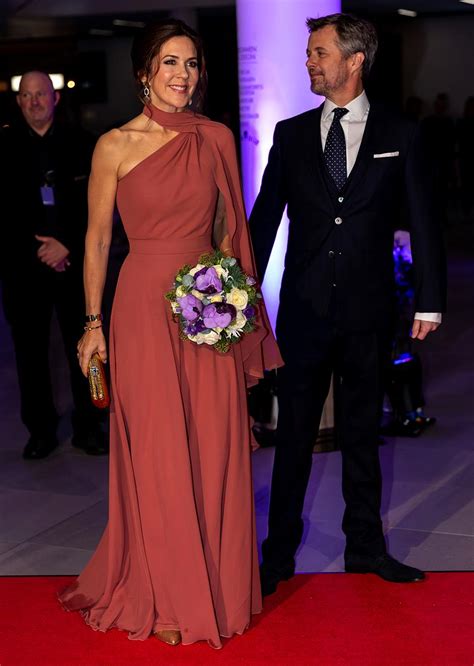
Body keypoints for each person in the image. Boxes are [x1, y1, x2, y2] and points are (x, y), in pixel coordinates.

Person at [58, 19, 281, 648]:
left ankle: (217, 585)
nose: (183, 75)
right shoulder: (115, 145)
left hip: (205, 311)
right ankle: (168, 592)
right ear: (144, 73)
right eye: (169, 64)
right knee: (157, 452)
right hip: (140, 311)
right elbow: (98, 240)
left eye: (191, 64)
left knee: (211, 447)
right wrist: (93, 323)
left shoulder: (214, 138)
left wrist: (230, 304)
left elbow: (225, 235)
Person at [249, 13, 446, 596]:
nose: (309, 62)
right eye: (310, 53)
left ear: (354, 60)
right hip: (304, 313)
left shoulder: (401, 134)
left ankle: (365, 548)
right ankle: (277, 556)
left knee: (362, 434)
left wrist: (429, 302)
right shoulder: (289, 134)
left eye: (319, 52)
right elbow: (264, 221)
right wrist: (236, 296)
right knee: (293, 440)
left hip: (368, 313)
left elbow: (426, 222)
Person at [0, 71, 107, 459]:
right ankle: (40, 430)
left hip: (77, 268)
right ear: (18, 101)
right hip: (23, 272)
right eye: (26, 96)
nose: (33, 102)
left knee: (86, 351)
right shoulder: (4, 145)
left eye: (40, 94)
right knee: (29, 355)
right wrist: (39, 250)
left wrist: (66, 246)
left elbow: (99, 209)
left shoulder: (84, 144)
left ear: (55, 97)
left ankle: (91, 424)